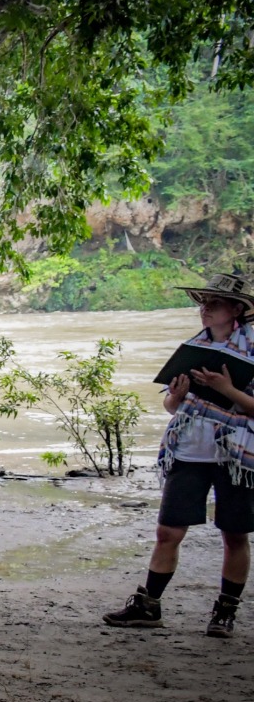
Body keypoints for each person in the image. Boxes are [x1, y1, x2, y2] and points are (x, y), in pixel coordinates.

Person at [105, 272, 254, 638]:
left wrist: (227, 389)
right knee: (167, 531)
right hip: (188, 451)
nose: (204, 308)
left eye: (214, 302)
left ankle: (225, 613)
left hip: (236, 456)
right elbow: (174, 407)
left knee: (234, 535)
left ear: (236, 309)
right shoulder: (193, 348)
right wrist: (176, 393)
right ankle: (148, 605)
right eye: (202, 302)